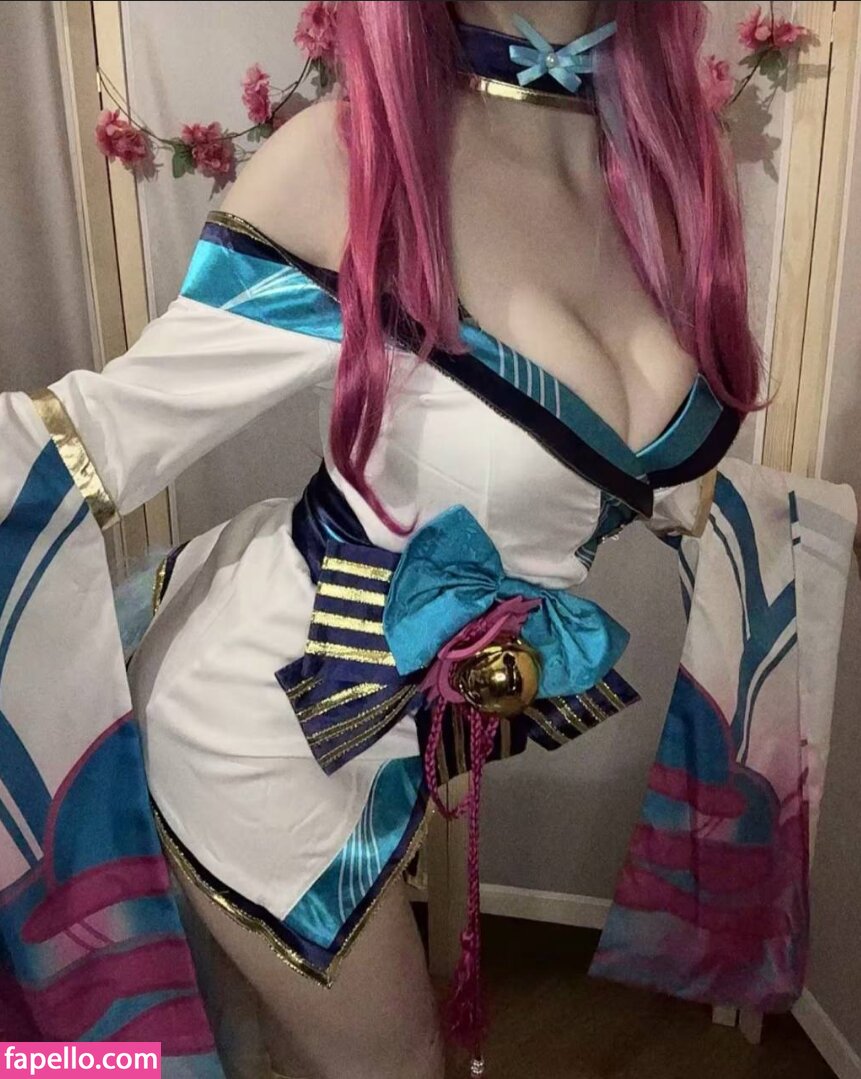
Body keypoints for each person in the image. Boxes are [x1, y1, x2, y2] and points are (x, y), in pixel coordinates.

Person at [2, 3, 858, 1078]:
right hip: (259, 722)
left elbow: (647, 479)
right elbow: (97, 437)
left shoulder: (668, 179)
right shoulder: (349, 165)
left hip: (402, 733)